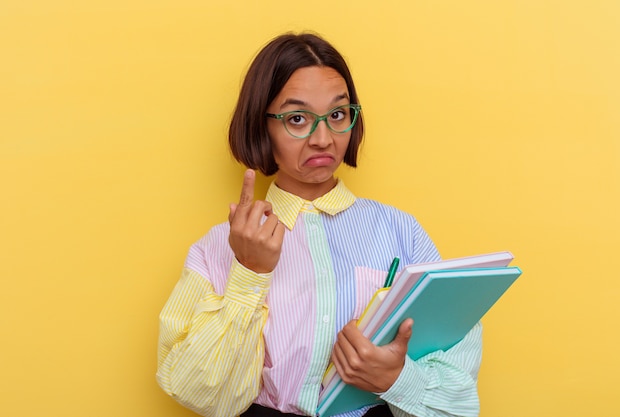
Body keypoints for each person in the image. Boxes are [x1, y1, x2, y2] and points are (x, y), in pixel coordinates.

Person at [156, 32, 482, 417]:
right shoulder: (217, 248)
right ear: (262, 127)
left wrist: (396, 380)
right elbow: (203, 395)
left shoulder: (401, 232)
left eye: (338, 115)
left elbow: (457, 395)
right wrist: (248, 274)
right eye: (297, 119)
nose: (323, 139)